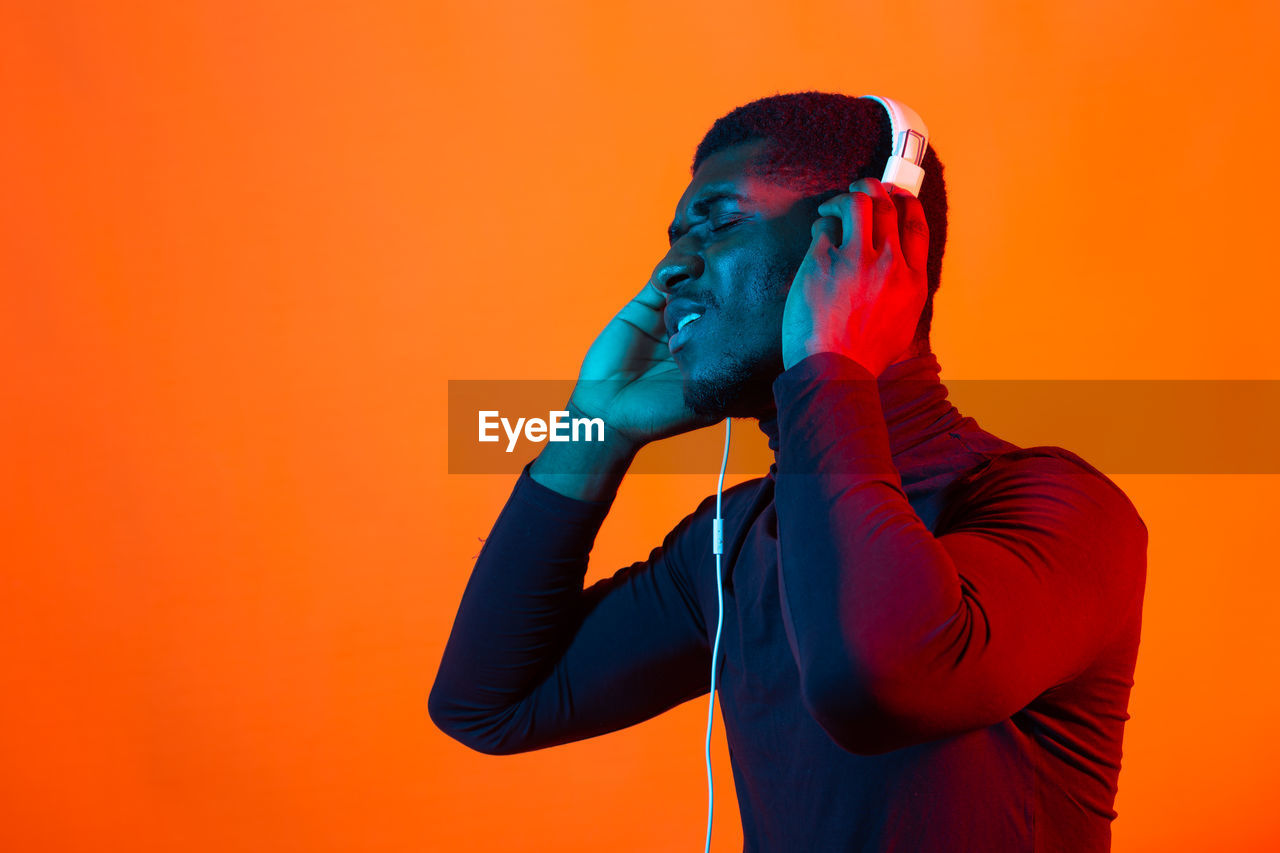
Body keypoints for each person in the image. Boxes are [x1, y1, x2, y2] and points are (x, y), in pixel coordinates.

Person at [429, 92, 1147, 852]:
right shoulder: (737, 540)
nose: (671, 270)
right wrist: (593, 431)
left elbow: (873, 682)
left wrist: (829, 362)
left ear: (865, 236)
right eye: (673, 241)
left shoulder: (1062, 511)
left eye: (719, 223)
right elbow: (490, 703)